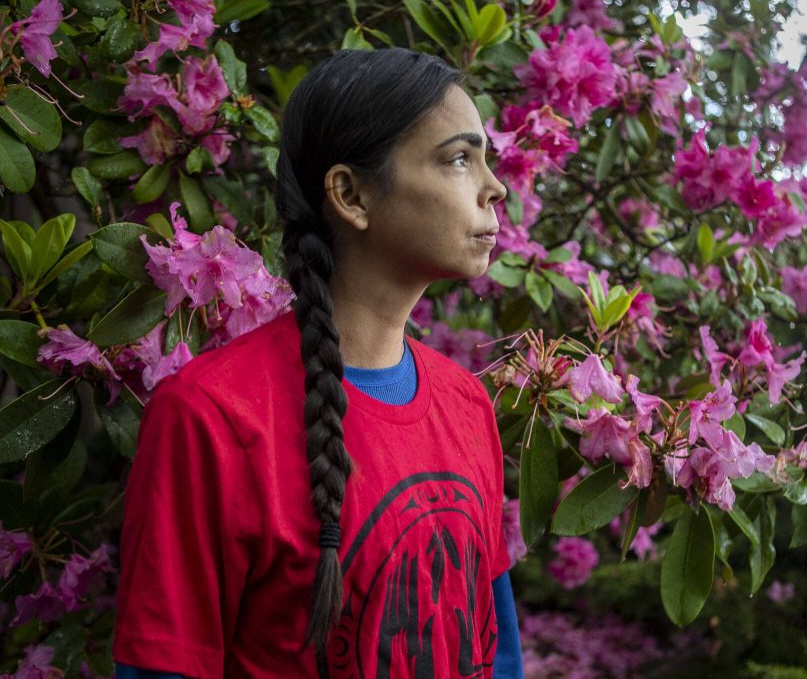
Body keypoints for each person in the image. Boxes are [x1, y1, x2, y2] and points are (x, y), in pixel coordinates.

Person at [112, 47, 524, 678]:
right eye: (460, 160)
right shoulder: (212, 419)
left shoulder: (467, 403)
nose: (495, 188)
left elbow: (496, 652)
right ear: (351, 194)